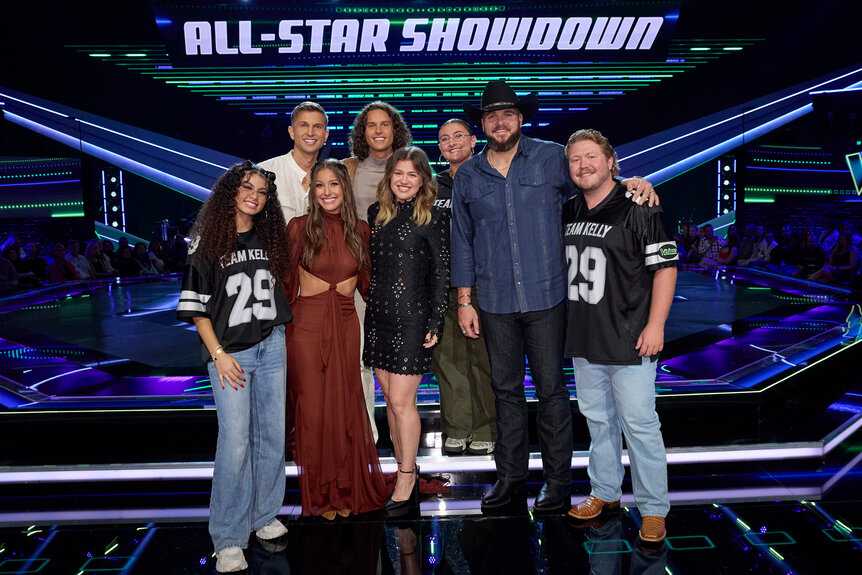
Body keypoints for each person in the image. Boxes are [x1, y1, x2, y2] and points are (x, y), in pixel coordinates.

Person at [450, 80, 656, 515]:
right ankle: (510, 479)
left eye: (508, 114)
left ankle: (558, 484)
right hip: (494, 302)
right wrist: (464, 300)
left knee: (551, 392)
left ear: (520, 118)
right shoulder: (468, 175)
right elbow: (462, 240)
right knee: (505, 392)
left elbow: (594, 180)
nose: (500, 122)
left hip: (548, 297)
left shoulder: (550, 158)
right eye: (491, 116)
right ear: (482, 124)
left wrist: (633, 183)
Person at [561, 129, 677, 544]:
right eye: (575, 159)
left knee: (640, 425)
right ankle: (605, 492)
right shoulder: (569, 208)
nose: (583, 165)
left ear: (611, 161)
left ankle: (653, 508)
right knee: (599, 422)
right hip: (586, 336)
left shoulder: (640, 206)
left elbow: (665, 268)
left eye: (591, 156)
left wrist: (656, 325)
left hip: (631, 336)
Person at [176, 161, 291, 573]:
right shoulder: (208, 240)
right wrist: (218, 354)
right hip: (230, 354)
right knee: (236, 442)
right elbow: (197, 309)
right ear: (230, 190)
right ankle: (227, 536)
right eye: (247, 187)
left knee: (272, 437)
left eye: (261, 191)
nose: (254, 196)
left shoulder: (270, 235)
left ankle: (263, 515)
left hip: (271, 344)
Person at [283, 158, 388, 519]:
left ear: (345, 188)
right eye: (319, 185)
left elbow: (369, 284)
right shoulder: (299, 228)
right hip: (306, 328)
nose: (327, 192)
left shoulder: (360, 229)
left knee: (344, 409)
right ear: (312, 191)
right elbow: (285, 284)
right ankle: (319, 493)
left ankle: (343, 488)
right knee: (313, 411)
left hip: (345, 325)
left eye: (334, 184)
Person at [364, 146, 449, 518]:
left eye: (412, 174)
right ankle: (405, 470)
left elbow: (441, 274)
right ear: (389, 177)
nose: (404, 180)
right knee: (391, 404)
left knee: (402, 403)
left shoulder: (433, 217)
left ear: (422, 180)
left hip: (413, 320)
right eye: (398, 173)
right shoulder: (376, 213)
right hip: (379, 318)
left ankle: (406, 477)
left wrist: (435, 321)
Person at [344, 101, 413, 443]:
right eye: (371, 125)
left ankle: (403, 434)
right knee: (360, 358)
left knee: (398, 362)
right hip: (359, 276)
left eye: (385, 124)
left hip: (400, 279)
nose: (378, 130)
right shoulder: (349, 169)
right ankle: (367, 434)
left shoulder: (409, 167)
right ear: (363, 132)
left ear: (395, 129)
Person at [432, 119, 496, 456]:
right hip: (442, 287)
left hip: (484, 285)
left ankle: (485, 428)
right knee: (449, 361)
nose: (452, 142)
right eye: (445, 138)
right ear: (440, 148)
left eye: (459, 135)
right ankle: (457, 428)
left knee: (482, 359)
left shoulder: (491, 178)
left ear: (474, 140)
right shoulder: (432, 187)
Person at [259, 101, 330, 223]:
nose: (310, 133)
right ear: (291, 132)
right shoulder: (264, 171)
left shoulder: (332, 181)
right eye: (303, 125)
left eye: (317, 127)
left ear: (326, 135)